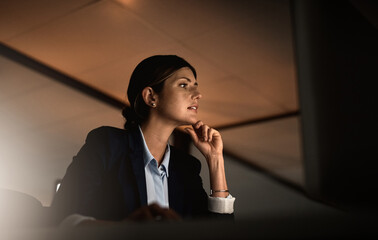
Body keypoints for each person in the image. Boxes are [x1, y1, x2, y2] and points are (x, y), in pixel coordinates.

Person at [50, 55, 235, 227]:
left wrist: (215, 159)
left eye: (195, 85)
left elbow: (218, 234)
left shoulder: (187, 167)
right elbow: (62, 217)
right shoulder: (107, 144)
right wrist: (126, 231)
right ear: (151, 96)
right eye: (184, 85)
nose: (198, 94)